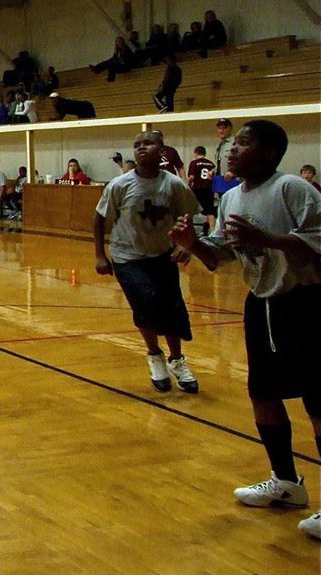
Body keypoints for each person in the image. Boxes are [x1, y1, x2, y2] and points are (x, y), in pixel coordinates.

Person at [169, 119, 321, 541]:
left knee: (317, 399)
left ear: (270, 153)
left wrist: (268, 238)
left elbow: (317, 239)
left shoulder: (293, 189)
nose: (232, 151)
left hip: (306, 303)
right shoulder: (231, 196)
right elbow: (220, 255)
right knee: (263, 394)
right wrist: (192, 244)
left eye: (244, 143)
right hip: (262, 303)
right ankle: (286, 483)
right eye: (232, 144)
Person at [94, 130, 200, 395]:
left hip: (162, 255)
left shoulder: (174, 185)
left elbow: (186, 216)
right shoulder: (119, 185)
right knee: (146, 304)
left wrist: (185, 245)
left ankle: (177, 360)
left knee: (172, 307)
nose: (142, 148)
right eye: (137, 145)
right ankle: (155, 357)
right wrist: (99, 254)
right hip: (128, 257)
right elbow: (99, 218)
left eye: (148, 144)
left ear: (161, 149)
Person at [186, 146, 217, 234]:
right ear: (204, 153)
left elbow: (191, 177)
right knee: (209, 211)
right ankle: (212, 231)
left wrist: (187, 186)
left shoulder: (194, 163)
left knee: (191, 209)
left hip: (198, 189)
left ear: (195, 153)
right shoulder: (211, 164)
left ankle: (189, 230)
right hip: (209, 189)